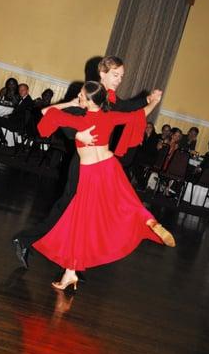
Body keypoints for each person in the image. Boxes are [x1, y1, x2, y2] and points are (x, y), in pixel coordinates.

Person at [30, 81, 175, 290]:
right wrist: (154, 101)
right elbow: (139, 115)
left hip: (90, 173)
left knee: (80, 221)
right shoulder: (109, 115)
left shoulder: (79, 119)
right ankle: (150, 221)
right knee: (126, 203)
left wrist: (67, 104)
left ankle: (70, 272)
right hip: (109, 166)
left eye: (80, 95)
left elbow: (45, 112)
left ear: (89, 101)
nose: (78, 97)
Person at [13, 56, 153, 268]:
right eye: (116, 75)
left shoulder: (111, 98)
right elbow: (63, 116)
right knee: (67, 208)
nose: (119, 80)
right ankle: (27, 240)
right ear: (102, 73)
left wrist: (149, 99)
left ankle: (77, 261)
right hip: (83, 164)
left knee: (91, 213)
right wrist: (78, 135)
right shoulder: (87, 93)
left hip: (100, 166)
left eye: (122, 76)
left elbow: (128, 108)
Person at [132, 121, 159, 190]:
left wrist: (142, 145)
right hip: (141, 157)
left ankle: (141, 184)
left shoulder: (155, 137)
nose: (148, 128)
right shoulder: (142, 136)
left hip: (150, 157)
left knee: (135, 160)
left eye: (150, 127)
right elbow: (139, 147)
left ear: (153, 129)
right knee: (134, 162)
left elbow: (151, 150)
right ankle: (142, 184)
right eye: (146, 127)